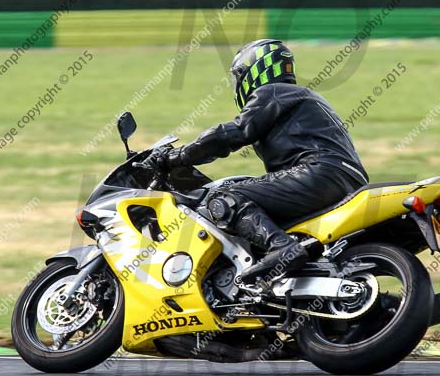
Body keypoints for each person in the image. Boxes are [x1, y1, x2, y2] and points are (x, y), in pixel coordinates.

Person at [147, 39, 368, 284]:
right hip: (346, 180)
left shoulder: (272, 92)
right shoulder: (305, 97)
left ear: (252, 70)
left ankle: (282, 248)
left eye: (238, 76)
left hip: (316, 173)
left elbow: (232, 134)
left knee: (223, 198)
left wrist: (177, 156)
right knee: (251, 193)